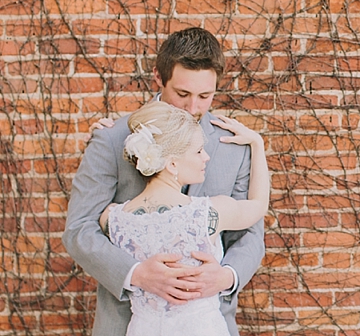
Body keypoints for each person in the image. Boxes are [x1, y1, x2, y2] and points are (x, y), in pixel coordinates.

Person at [64, 27, 266, 336]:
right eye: (182, 94)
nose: (193, 108)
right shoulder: (111, 138)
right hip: (127, 323)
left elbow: (250, 234)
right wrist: (136, 273)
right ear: (159, 77)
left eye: (205, 96)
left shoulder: (234, 145)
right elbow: (80, 229)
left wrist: (226, 276)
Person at [98, 101, 269, 336]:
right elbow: (259, 205)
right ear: (172, 163)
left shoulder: (112, 218)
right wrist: (257, 144)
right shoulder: (210, 213)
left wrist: (97, 140)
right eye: (198, 151)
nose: (206, 157)